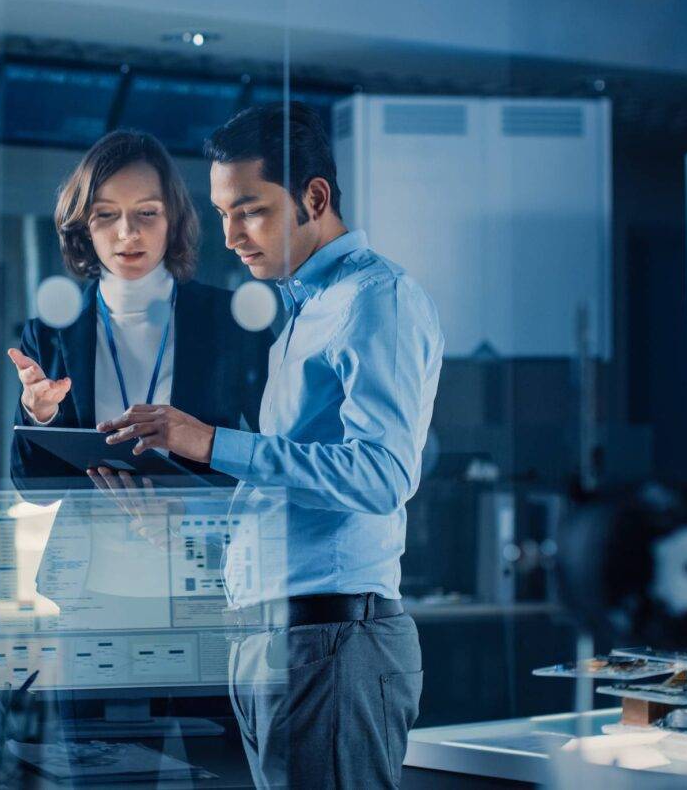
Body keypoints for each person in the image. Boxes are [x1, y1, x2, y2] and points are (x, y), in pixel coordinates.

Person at [96, 102, 444, 788]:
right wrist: (186, 527)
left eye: (249, 209)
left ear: (314, 197)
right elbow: (293, 497)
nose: (230, 235)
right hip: (279, 640)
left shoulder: (377, 299)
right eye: (223, 213)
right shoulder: (305, 310)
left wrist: (208, 442)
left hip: (333, 642)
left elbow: (382, 475)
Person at [8, 129, 270, 488]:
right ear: (84, 228)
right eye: (106, 215)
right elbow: (33, 490)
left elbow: (276, 457)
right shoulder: (48, 334)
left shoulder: (230, 322)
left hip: (198, 539)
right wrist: (39, 414)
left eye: (146, 212)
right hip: (90, 541)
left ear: (172, 219)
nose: (127, 232)